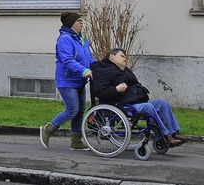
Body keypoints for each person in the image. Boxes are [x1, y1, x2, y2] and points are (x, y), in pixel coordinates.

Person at [91, 48, 188, 146]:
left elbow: (137, 84)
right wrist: (116, 89)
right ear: (112, 56)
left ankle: (174, 133)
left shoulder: (126, 71)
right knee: (148, 107)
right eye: (122, 56)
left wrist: (143, 92)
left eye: (125, 57)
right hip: (120, 105)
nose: (125, 59)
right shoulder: (102, 70)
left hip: (133, 101)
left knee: (161, 102)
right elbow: (100, 92)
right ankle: (165, 136)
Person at [40, 12, 94, 150]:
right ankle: (48, 129)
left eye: (82, 21)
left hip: (80, 81)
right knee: (72, 109)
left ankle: (76, 142)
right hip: (67, 81)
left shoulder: (81, 39)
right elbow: (68, 60)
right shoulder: (65, 39)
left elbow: (89, 58)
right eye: (79, 21)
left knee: (80, 110)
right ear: (71, 23)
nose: (82, 23)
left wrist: (98, 67)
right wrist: (84, 71)